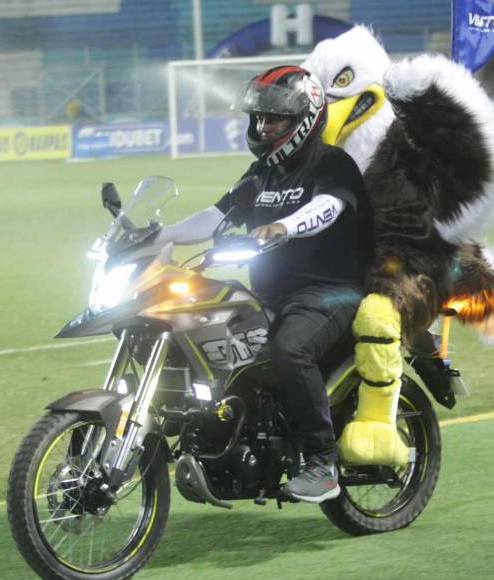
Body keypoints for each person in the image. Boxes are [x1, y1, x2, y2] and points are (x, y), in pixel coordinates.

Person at [157, 65, 371, 503]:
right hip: (271, 295)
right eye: (258, 118)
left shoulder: (332, 164)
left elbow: (329, 208)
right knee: (202, 332)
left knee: (288, 349)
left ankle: (321, 463)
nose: (262, 125)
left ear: (304, 119)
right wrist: (162, 235)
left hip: (327, 292)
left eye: (273, 118)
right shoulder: (261, 173)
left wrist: (283, 227)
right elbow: (215, 216)